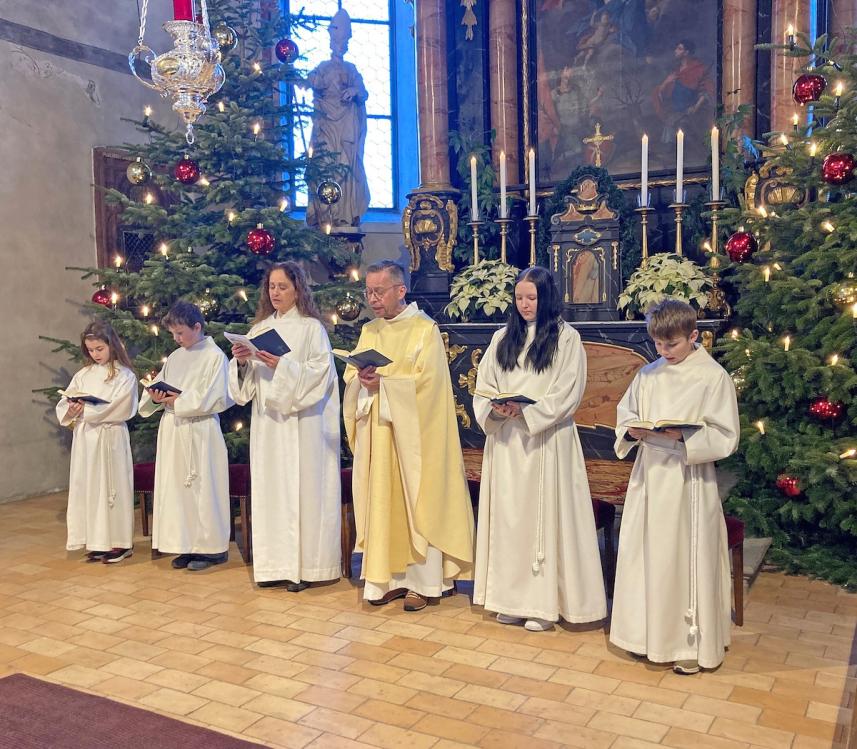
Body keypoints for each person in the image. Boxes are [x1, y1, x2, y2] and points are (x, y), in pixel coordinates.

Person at [472, 267, 607, 631]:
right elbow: (484, 386)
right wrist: (497, 409)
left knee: (544, 520)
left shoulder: (566, 338)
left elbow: (568, 391)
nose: (525, 305)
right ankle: (510, 599)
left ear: (546, 298)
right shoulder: (503, 337)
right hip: (507, 441)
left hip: (546, 440)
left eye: (531, 298)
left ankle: (544, 606)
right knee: (510, 520)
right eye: (519, 298)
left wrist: (528, 411)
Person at [610, 299, 739, 674]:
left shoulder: (712, 377)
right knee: (646, 555)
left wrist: (684, 436)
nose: (663, 351)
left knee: (683, 558)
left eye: (672, 344)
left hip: (688, 478)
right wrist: (632, 431)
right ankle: (644, 636)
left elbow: (726, 435)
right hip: (650, 475)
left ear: (693, 335)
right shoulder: (647, 375)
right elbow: (625, 415)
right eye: (658, 344)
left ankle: (688, 644)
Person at [342, 260, 475, 612]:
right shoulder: (370, 330)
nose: (373, 299)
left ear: (400, 290)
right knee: (381, 503)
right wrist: (360, 380)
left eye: (379, 291)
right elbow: (352, 377)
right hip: (379, 435)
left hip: (415, 440)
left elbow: (430, 388)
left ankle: (423, 583)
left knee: (417, 503)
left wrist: (386, 385)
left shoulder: (424, 330)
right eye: (369, 292)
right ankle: (385, 581)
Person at [229, 262, 341, 591]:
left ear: (297, 290)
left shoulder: (311, 329)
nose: (275, 293)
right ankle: (274, 567)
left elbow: (321, 375)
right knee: (272, 492)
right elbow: (244, 390)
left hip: (303, 425)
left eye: (282, 287)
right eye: (271, 286)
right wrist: (242, 361)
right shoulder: (260, 329)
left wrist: (283, 366)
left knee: (304, 492)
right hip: (269, 425)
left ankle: (307, 569)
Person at [139, 301, 234, 571]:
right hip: (174, 428)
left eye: (180, 333)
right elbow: (159, 391)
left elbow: (217, 396)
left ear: (197, 327)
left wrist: (179, 400)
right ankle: (186, 544)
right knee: (178, 489)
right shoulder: (175, 357)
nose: (176, 339)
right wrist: (157, 397)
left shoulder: (214, 357)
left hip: (201, 430)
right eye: (173, 334)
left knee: (204, 489)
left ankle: (212, 549)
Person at [56, 320, 138, 563]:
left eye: (100, 349)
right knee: (90, 488)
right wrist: (72, 409)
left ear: (112, 345)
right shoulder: (83, 375)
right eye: (91, 350)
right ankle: (97, 541)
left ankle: (120, 543)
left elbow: (122, 407)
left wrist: (87, 411)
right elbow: (65, 404)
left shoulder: (125, 375)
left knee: (113, 488)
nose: (95, 354)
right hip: (86, 439)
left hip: (111, 437)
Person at [302, 9, 371, 229]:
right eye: (338, 42)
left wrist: (353, 90)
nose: (341, 46)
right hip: (326, 126)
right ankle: (325, 215)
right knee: (324, 165)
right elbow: (310, 82)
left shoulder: (351, 69)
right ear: (332, 43)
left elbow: (363, 92)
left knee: (345, 167)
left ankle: (345, 215)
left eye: (344, 43)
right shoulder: (322, 67)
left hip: (346, 127)